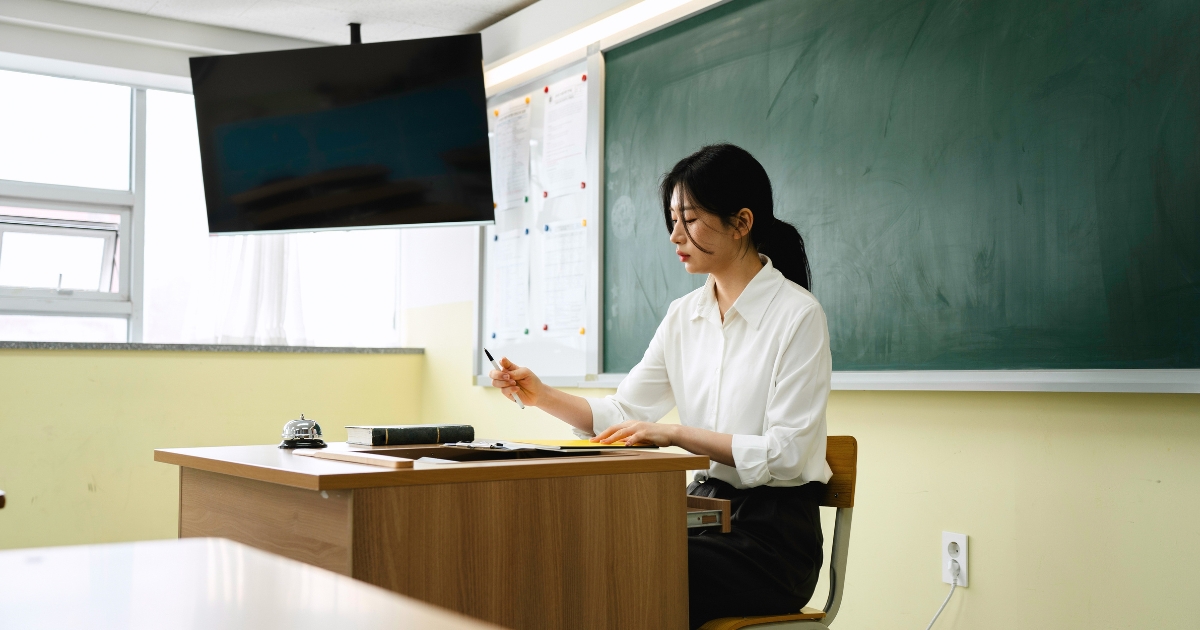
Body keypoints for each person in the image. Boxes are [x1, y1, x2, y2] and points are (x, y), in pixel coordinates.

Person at [489, 143, 832, 629]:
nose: (675, 234)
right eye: (673, 219)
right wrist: (539, 394)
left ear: (742, 221)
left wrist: (673, 433)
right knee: (582, 555)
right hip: (705, 517)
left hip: (772, 541)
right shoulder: (683, 316)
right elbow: (621, 414)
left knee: (633, 570)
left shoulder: (798, 316)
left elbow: (788, 454)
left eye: (690, 219)